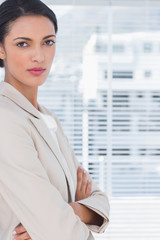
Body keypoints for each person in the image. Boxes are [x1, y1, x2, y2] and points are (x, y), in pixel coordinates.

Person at [0, 0, 110, 240]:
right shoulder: (4, 118)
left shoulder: (47, 118)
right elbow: (58, 230)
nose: (39, 56)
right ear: (1, 49)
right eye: (23, 44)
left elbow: (100, 198)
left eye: (47, 42)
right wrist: (79, 210)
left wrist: (72, 209)